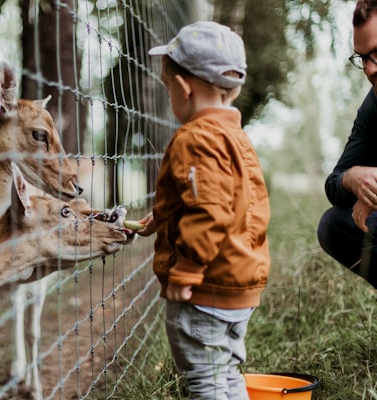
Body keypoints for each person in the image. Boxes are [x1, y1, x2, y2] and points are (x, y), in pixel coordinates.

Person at [133, 21, 271, 399]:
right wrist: (161, 218)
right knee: (226, 375)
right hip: (238, 284)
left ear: (182, 87)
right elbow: (233, 203)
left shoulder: (195, 138)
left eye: (167, 88)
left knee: (205, 382)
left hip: (205, 289)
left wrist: (189, 267)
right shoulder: (236, 137)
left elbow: (210, 209)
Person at [317, 0, 377, 290]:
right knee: (335, 225)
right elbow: (334, 184)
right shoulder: (374, 105)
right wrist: (352, 180)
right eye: (362, 58)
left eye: (376, 54)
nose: (369, 70)